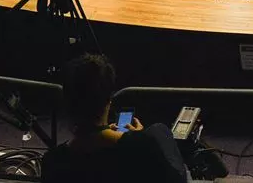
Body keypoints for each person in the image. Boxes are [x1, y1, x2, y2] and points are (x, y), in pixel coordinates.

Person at [41, 54, 187, 183]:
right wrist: (137, 137)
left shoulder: (52, 162)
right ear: (109, 100)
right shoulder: (142, 146)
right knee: (160, 130)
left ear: (66, 102)